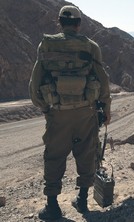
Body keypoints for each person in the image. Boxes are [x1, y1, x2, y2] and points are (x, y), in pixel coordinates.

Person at [29, 5, 111, 220]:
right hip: (86, 112)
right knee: (86, 154)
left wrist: (46, 108)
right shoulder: (91, 47)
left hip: (58, 114)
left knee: (54, 156)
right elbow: (103, 82)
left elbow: (34, 83)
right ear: (78, 23)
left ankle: (52, 206)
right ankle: (82, 199)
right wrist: (106, 110)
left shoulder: (45, 45)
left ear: (59, 22)